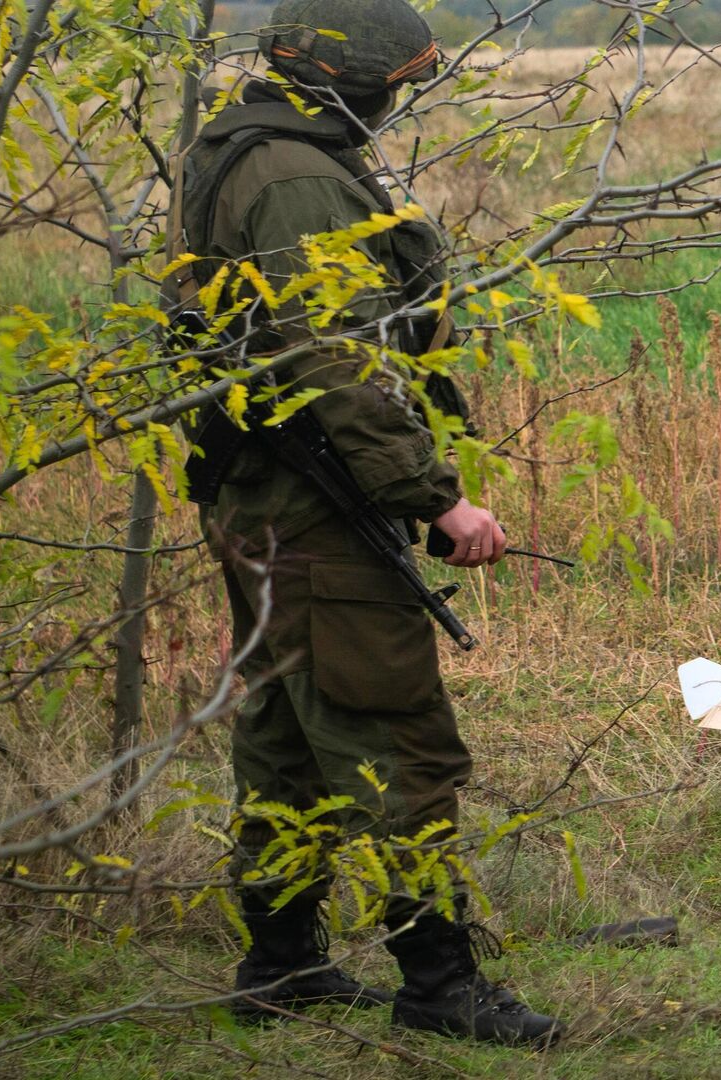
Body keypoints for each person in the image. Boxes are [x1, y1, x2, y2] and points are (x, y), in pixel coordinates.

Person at [176, 0, 561, 1046]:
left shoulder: (247, 148)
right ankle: (438, 985)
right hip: (313, 506)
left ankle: (281, 963)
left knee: (288, 738)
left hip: (271, 500)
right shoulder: (295, 176)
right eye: (393, 80)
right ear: (352, 78)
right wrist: (433, 496)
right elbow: (336, 357)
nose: (397, 98)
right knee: (398, 743)